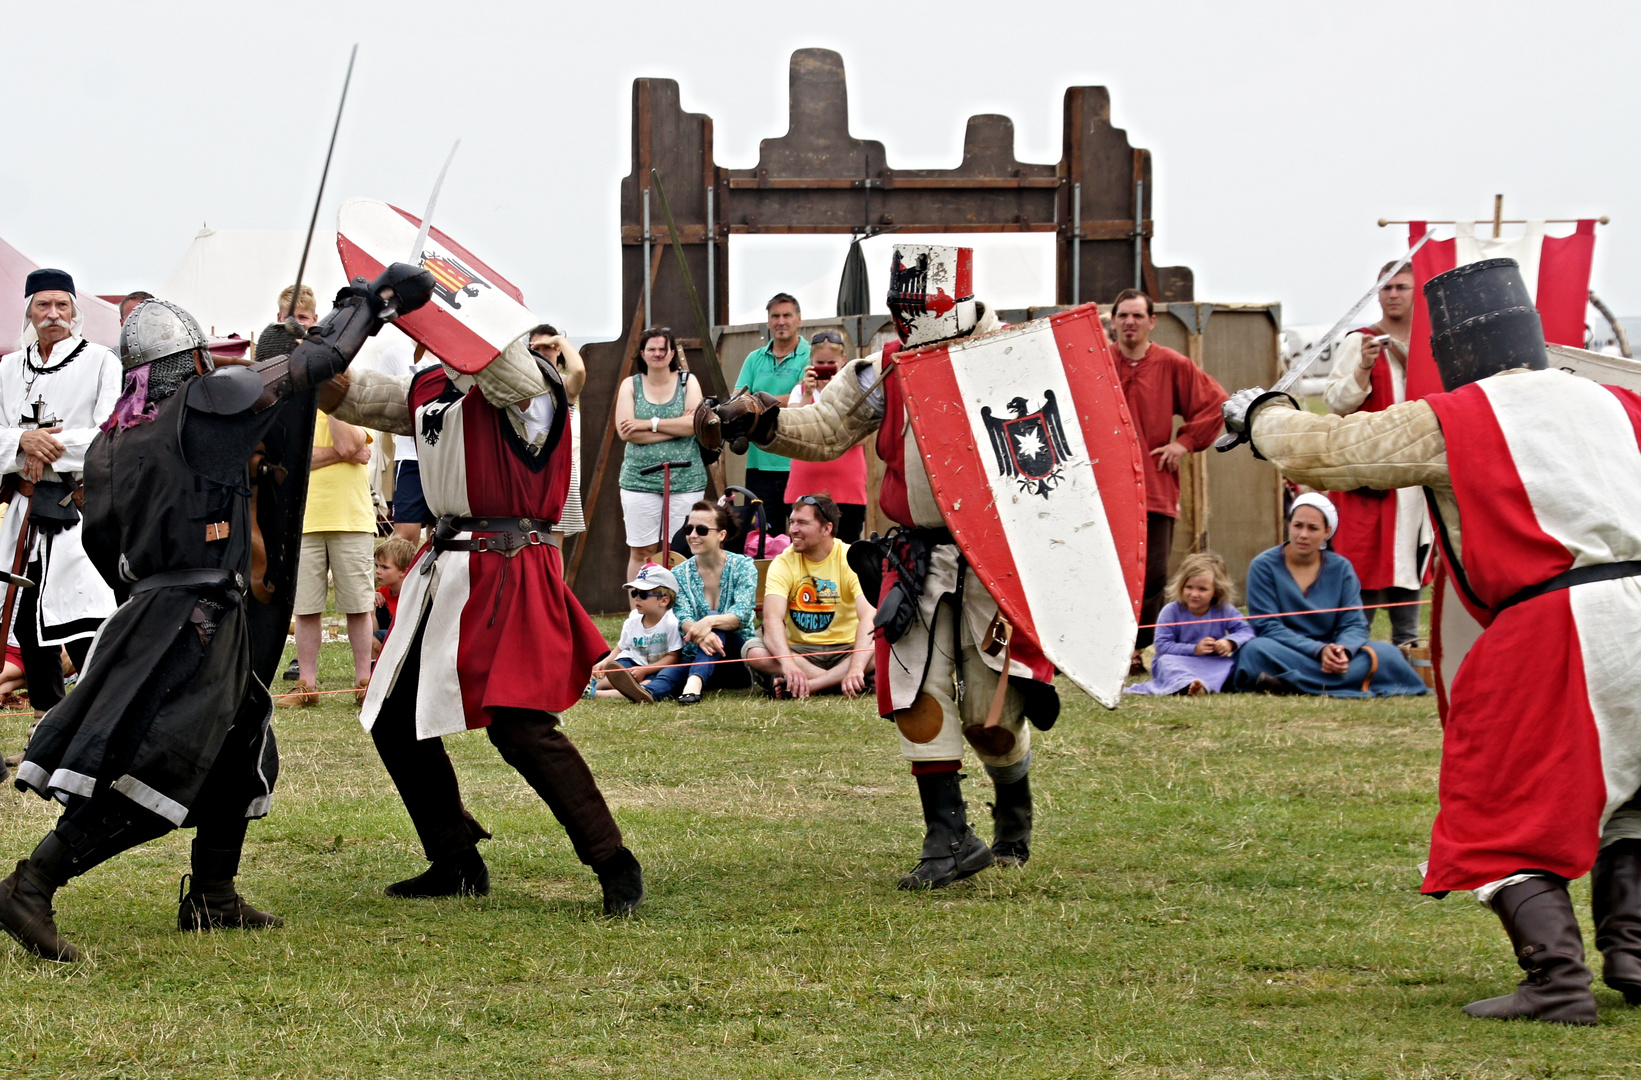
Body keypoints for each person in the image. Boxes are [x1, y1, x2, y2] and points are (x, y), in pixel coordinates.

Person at [1222, 259, 1641, 1023]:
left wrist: (1261, 415)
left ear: (1451, 348)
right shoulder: (1614, 403)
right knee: (1637, 791)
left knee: (1494, 802)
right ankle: (1634, 952)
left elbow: (1328, 451)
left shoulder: (1458, 416)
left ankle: (1557, 981)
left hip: (1558, 618)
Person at [0, 263, 435, 962]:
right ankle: (34, 882)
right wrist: (371, 302)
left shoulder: (113, 440)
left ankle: (212, 892)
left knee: (238, 742)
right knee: (164, 768)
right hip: (193, 618)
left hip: (160, 606)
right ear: (192, 360)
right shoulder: (205, 404)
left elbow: (101, 541)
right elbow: (316, 362)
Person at [702, 245, 1058, 890]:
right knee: (916, 696)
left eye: (918, 303)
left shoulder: (1015, 358)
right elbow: (826, 425)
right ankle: (949, 834)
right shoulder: (888, 366)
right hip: (916, 554)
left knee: (991, 716)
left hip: (993, 555)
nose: (908, 313)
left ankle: (1012, 805)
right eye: (902, 303)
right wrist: (761, 419)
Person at [331, 314, 643, 916]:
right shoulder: (430, 385)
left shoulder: (530, 384)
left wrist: (443, 312)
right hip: (443, 566)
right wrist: (322, 351)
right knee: (396, 719)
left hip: (509, 568)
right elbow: (357, 395)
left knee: (520, 727)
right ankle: (455, 860)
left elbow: (497, 375)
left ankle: (612, 860)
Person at [0, 269, 121, 727]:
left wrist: (48, 446)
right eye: (43, 306)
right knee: (25, 616)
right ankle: (46, 717)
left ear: (75, 310)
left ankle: (95, 718)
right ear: (29, 310)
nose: (53, 315)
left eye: (62, 306)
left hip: (77, 509)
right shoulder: (9, 367)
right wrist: (20, 443)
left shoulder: (101, 362)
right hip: (24, 511)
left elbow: (110, 433)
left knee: (87, 615)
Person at [1109, 288, 1228, 666]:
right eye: (1123, 315)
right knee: (1109, 568)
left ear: (1151, 322)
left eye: (1138, 316)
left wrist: (1185, 444)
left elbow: (1216, 404)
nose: (1130, 322)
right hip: (1104, 488)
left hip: (1154, 485)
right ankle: (1104, 647)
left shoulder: (1172, 364)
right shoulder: (1097, 362)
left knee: (1153, 573)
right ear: (1113, 321)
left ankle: (1136, 649)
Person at [1322, 261, 1431, 645]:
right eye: (1386, 287)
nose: (1393, 294)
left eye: (1401, 287)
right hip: (1370, 470)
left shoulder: (1429, 342)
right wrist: (1363, 369)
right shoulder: (1361, 340)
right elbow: (1335, 403)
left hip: (1415, 475)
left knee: (1409, 558)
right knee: (1362, 555)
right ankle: (1356, 643)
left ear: (1416, 291)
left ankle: (1406, 643)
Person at [1230, 493, 1426, 697]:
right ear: (1289, 525)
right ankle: (1337, 683)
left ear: (1327, 532)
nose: (1303, 535)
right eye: (1298, 526)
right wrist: (1317, 650)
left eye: (1312, 528)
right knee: (1254, 651)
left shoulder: (1341, 568)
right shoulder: (1263, 566)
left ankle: (1291, 682)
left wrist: (1342, 651)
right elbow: (1267, 625)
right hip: (1286, 649)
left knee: (1387, 654)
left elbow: (1354, 624)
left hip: (1333, 654)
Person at [278, 404, 375, 708]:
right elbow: (291, 459)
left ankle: (365, 682)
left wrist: (334, 405)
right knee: (306, 609)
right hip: (304, 520)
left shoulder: (356, 405)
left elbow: (347, 443)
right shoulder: (295, 408)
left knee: (358, 606)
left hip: (352, 519)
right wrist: (341, 455)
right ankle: (307, 685)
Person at [744, 494, 874, 699]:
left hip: (848, 649)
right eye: (792, 522)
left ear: (826, 529)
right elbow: (771, 620)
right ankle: (841, 683)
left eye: (802, 523)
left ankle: (812, 685)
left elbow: (869, 617)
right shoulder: (783, 562)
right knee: (753, 650)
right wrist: (787, 664)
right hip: (800, 652)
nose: (793, 529)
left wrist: (856, 666)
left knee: (886, 643)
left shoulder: (851, 557)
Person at [617, 327, 706, 587]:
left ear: (671, 353)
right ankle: (639, 614)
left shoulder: (688, 381)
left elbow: (694, 425)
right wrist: (675, 427)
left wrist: (648, 423)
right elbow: (626, 432)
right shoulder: (630, 385)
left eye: (662, 349)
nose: (657, 354)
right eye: (651, 349)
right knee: (642, 550)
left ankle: (679, 611)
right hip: (639, 480)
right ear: (642, 353)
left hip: (686, 478)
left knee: (680, 549)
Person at [732, 294, 810, 536]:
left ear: (799, 319)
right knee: (760, 542)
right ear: (768, 322)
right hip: (760, 464)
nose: (781, 321)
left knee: (804, 540)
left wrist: (758, 402)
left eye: (787, 315)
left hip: (798, 463)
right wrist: (783, 399)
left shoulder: (810, 354)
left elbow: (806, 398)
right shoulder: (754, 359)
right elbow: (738, 400)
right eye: (775, 316)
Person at [1125, 552, 1252, 696]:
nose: (1194, 594)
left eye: (1202, 589)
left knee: (1233, 664)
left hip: (1212, 663)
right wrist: (1194, 649)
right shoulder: (1171, 611)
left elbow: (1246, 631)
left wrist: (1230, 642)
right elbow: (1162, 645)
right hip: (1178, 661)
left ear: (1216, 591)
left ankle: (1202, 686)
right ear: (1181, 586)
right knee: (1167, 663)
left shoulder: (1224, 610)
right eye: (1189, 587)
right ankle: (1190, 685)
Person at [670, 500, 759, 704]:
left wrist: (708, 622)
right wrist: (704, 633)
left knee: (714, 619)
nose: (692, 535)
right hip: (696, 655)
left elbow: (741, 615)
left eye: (701, 530)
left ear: (721, 535)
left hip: (738, 659)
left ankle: (694, 684)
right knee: (666, 677)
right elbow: (682, 618)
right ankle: (606, 690)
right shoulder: (678, 573)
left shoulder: (743, 567)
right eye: (688, 528)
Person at [783, 331, 868, 542]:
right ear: (811, 362)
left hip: (847, 489)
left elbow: (863, 436)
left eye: (831, 363)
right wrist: (808, 395)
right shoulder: (800, 391)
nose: (825, 368)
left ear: (843, 361)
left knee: (847, 551)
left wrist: (818, 433)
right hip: (804, 486)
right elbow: (792, 429)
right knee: (805, 550)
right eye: (820, 363)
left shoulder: (855, 392)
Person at [528, 325, 587, 544]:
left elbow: (579, 372)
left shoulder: (563, 384)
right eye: (538, 347)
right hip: (528, 465)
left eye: (549, 347)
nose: (544, 351)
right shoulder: (519, 385)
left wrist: (560, 341)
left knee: (554, 544)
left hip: (559, 467)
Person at [592, 564, 684, 704]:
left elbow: (674, 656)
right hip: (632, 663)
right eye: (635, 593)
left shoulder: (671, 622)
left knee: (648, 684)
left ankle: (597, 693)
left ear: (664, 600)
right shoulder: (633, 619)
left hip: (656, 668)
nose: (636, 598)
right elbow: (621, 648)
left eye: (643, 594)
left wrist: (645, 670)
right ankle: (597, 686)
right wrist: (605, 662)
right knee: (619, 668)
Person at [374, 342, 437, 543]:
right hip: (411, 455)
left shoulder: (454, 353)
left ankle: (435, 575)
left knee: (440, 534)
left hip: (446, 457)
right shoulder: (395, 353)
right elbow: (380, 399)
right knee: (405, 536)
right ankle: (403, 574)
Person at [372, 535, 416, 657]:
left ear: (404, 571)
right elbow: (374, 633)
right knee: (368, 639)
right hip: (387, 637)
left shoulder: (414, 595)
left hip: (409, 642)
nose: (378, 571)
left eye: (385, 567)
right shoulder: (381, 593)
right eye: (377, 566)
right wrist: (371, 610)